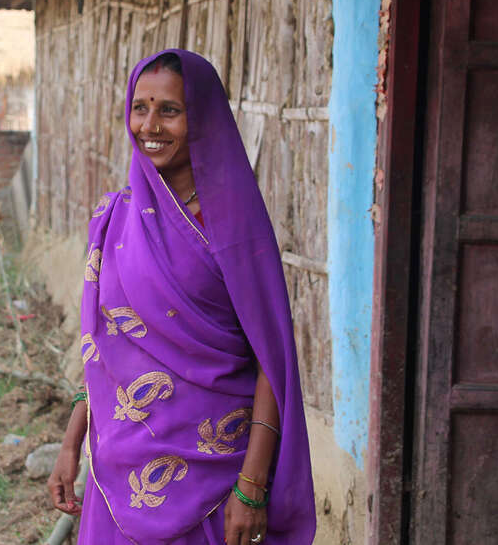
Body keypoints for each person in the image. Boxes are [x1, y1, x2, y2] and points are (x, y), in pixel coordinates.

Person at [47, 49, 316, 545]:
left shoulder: (235, 229)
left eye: (170, 109)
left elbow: (270, 363)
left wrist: (252, 486)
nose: (150, 125)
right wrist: (71, 442)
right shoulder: (115, 221)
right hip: (119, 477)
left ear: (203, 118)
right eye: (140, 107)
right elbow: (106, 353)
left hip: (213, 480)